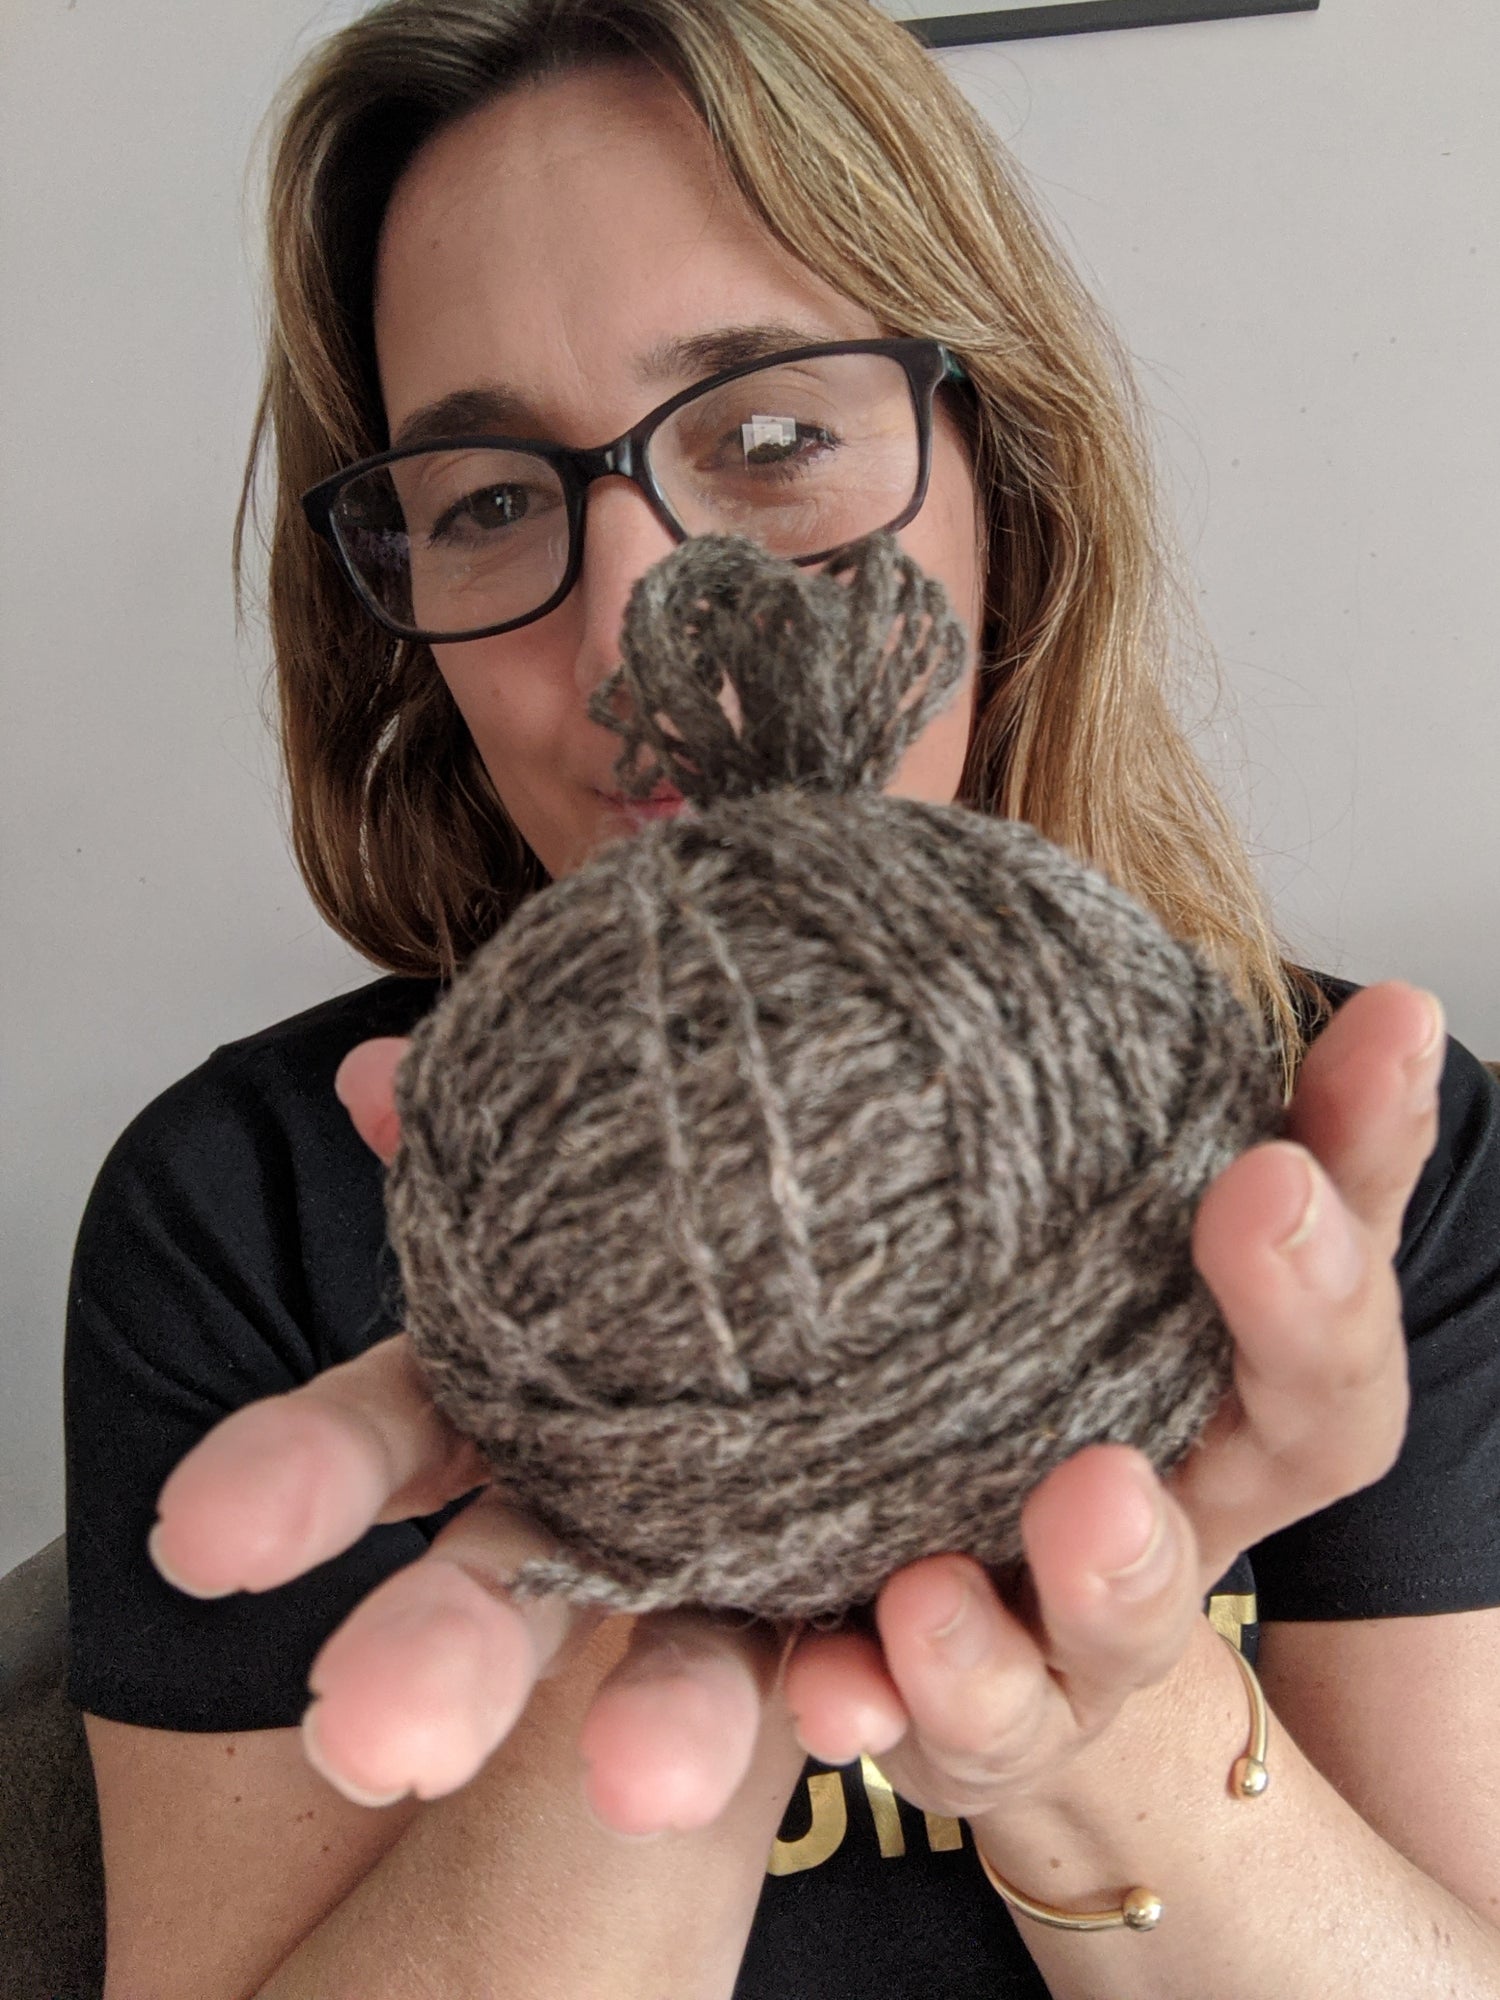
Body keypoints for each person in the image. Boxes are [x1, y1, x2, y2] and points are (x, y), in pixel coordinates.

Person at [62, 2, 1500, 1995]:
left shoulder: (1345, 1189)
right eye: (488, 498)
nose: (645, 608)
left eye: (767, 436)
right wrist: (651, 1511)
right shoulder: (240, 1214)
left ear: (998, 459)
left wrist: (1100, 1692)